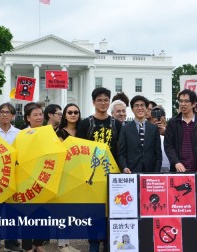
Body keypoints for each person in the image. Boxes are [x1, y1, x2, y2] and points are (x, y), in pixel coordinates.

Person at [76, 87, 121, 252]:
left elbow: (121, 150)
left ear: (109, 102)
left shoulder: (116, 124)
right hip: (92, 174)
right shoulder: (86, 123)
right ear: (94, 102)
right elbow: (79, 150)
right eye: (99, 100)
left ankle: (109, 242)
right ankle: (93, 243)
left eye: (106, 100)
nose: (103, 103)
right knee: (93, 211)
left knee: (112, 209)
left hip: (112, 174)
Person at [0, 104, 22, 252]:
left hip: (13, 175)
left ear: (13, 115)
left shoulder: (18, 133)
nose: (5, 115)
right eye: (2, 112)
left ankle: (11, 241)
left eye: (8, 112)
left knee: (13, 210)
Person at [164, 89, 197, 173]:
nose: (183, 104)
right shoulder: (173, 122)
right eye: (181, 101)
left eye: (186, 101)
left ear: (193, 104)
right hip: (177, 169)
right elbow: (168, 146)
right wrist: (176, 162)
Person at [55, 104, 82, 252]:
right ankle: (62, 243)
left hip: (79, 174)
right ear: (65, 115)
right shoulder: (61, 132)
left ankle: (67, 242)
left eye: (76, 112)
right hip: (65, 173)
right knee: (63, 210)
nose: (73, 114)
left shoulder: (82, 131)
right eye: (70, 112)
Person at [21, 103, 46, 252]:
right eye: (35, 115)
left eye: (40, 114)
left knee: (42, 212)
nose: (39, 117)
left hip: (44, 175)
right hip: (27, 177)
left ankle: (39, 243)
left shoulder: (47, 132)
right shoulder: (22, 133)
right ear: (28, 118)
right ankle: (27, 245)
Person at [118, 95, 162, 173]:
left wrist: (156, 172)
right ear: (132, 109)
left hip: (150, 172)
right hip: (131, 171)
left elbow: (158, 154)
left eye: (142, 105)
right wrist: (124, 167)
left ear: (146, 108)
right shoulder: (125, 128)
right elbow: (121, 153)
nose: (140, 108)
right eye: (136, 106)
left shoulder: (154, 128)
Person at [150, 106, 170, 172]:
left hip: (169, 164)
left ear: (164, 117)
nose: (156, 119)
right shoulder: (148, 130)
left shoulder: (171, 129)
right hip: (154, 164)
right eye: (154, 116)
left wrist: (165, 132)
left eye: (160, 115)